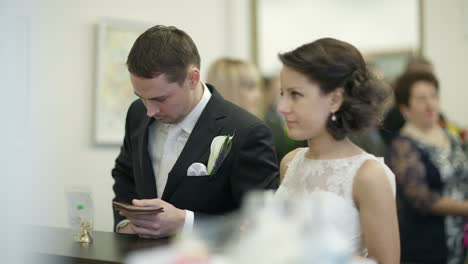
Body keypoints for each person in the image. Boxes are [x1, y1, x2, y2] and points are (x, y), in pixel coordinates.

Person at [111, 25, 279, 238]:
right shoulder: (137, 114)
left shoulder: (248, 132)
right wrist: (125, 223)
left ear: (192, 78)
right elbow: (125, 173)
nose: (150, 110)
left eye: (160, 99)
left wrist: (186, 222)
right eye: (140, 97)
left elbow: (260, 221)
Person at [275, 38, 400, 263]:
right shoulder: (290, 163)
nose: (282, 107)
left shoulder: (368, 175)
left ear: (334, 99)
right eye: (282, 93)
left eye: (295, 94)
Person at [386, 71, 468, 264]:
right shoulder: (403, 146)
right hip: (425, 243)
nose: (430, 103)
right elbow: (421, 199)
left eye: (433, 96)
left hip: (457, 240)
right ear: (405, 108)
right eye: (421, 99)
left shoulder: (449, 136)